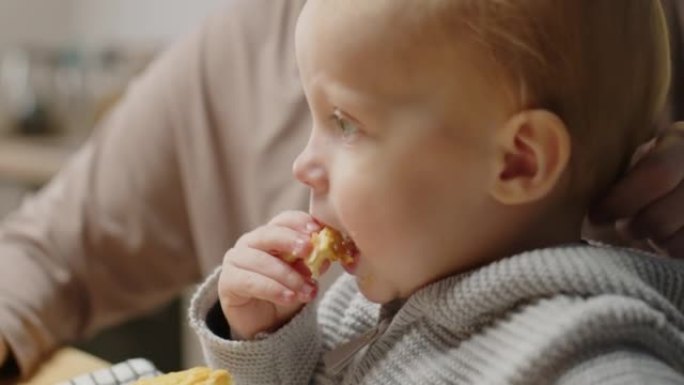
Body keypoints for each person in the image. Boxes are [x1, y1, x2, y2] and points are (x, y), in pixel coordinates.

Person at [0, 0, 683, 380]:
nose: (304, 164)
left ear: (517, 164)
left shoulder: (594, 353)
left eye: (343, 124)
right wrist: (262, 335)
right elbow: (52, 246)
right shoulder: (363, 303)